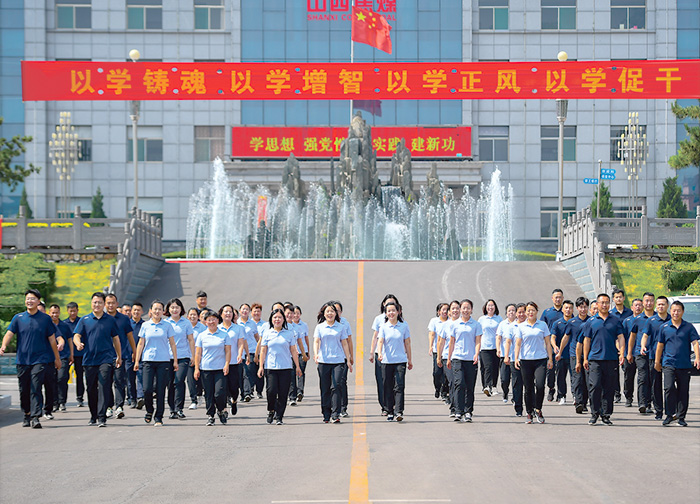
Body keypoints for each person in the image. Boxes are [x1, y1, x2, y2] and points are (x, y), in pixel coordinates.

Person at [1, 289, 61, 429]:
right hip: (22, 360)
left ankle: (35, 417)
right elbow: (9, 333)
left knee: (36, 386)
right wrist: (3, 346)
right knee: (24, 389)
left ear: (38, 301)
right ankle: (27, 413)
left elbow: (52, 340)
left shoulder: (45, 319)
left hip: (40, 359)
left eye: (33, 299)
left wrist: (56, 358)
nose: (30, 301)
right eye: (28, 298)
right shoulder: (18, 318)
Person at [73, 292, 122, 427]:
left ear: (104, 304)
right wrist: (78, 343)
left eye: (100, 302)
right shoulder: (85, 320)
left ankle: (102, 417)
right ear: (91, 303)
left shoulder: (110, 320)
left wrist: (119, 356)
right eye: (95, 302)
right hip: (89, 360)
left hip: (105, 359)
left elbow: (116, 339)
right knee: (91, 389)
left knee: (104, 386)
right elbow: (76, 335)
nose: (97, 305)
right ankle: (93, 415)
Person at [654, 300, 700, 426]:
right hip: (669, 363)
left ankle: (681, 417)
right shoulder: (664, 327)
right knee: (668, 388)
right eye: (674, 310)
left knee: (683, 391)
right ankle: (669, 414)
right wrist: (657, 361)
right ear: (670, 311)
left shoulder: (688, 327)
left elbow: (695, 343)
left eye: (678, 311)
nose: (676, 313)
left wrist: (697, 358)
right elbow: (660, 346)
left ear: (683, 312)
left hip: (684, 364)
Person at [133, 300, 178, 427]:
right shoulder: (145, 325)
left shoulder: (167, 325)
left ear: (163, 311)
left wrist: (175, 360)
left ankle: (159, 417)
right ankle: (149, 410)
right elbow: (141, 343)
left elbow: (172, 343)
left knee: (160, 390)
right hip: (148, 360)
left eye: (160, 309)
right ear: (151, 311)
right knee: (147, 389)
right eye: (155, 309)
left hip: (163, 361)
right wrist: (137, 360)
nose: (157, 311)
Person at [583, 293, 625, 426]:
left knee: (609, 388)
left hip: (611, 359)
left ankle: (606, 415)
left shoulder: (615, 321)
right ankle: (594, 413)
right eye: (602, 303)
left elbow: (621, 337)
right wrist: (585, 358)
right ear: (597, 304)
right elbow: (586, 340)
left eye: (607, 302)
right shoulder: (591, 321)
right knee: (595, 386)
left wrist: (622, 353)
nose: (605, 305)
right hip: (595, 359)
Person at [258, 308, 302, 425]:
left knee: (283, 393)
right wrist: (261, 366)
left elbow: (293, 351)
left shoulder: (289, 333)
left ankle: (279, 416)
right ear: (271, 319)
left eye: (279, 317)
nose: (277, 319)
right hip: (271, 367)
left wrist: (297, 366)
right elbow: (263, 351)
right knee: (271, 391)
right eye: (275, 317)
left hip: (286, 367)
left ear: (283, 320)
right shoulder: (267, 333)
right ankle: (271, 410)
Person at [314, 302, 352, 423]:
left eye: (332, 311)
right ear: (324, 314)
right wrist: (316, 354)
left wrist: (348, 360)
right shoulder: (320, 327)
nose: (330, 313)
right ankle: (326, 413)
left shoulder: (340, 327)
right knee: (325, 388)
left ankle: (336, 414)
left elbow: (345, 343)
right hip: (324, 361)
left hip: (338, 361)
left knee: (336, 386)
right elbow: (316, 341)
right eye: (327, 311)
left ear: (336, 313)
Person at [515, 301, 553, 424]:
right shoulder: (521, 326)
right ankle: (529, 412)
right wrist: (516, 358)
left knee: (540, 385)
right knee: (528, 387)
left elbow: (548, 343)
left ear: (537, 311)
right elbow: (518, 344)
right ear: (525, 312)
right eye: (528, 310)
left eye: (533, 310)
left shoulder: (542, 325)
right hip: (526, 360)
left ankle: (538, 409)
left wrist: (550, 358)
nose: (530, 312)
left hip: (540, 360)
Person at [446, 299, 482, 423]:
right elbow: (452, 342)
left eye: (468, 308)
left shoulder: (476, 325)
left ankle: (468, 411)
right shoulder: (455, 324)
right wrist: (449, 358)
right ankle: (458, 411)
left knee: (469, 386)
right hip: (457, 358)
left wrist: (476, 354)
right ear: (460, 309)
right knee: (459, 383)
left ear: (471, 310)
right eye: (464, 308)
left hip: (471, 359)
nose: (466, 310)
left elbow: (478, 341)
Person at [194, 310, 232, 426]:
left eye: (213, 319)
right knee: (209, 394)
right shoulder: (202, 335)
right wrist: (196, 368)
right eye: (209, 320)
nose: (211, 322)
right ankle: (210, 415)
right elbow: (198, 353)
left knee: (219, 393)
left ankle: (220, 410)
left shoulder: (224, 335)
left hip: (220, 369)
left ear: (218, 320)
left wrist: (227, 364)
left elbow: (228, 351)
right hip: (206, 369)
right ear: (205, 322)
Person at [377, 301, 412, 422]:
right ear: (386, 313)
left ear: (398, 312)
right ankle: (389, 410)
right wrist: (380, 353)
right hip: (387, 361)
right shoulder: (383, 327)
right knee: (387, 386)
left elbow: (407, 343)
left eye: (393, 310)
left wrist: (410, 359)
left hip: (400, 360)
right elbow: (380, 341)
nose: (391, 313)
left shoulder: (404, 326)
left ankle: (399, 411)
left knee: (399, 386)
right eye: (389, 311)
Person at [105, 293, 136, 420]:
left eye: (113, 303)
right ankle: (109, 406)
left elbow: (130, 336)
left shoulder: (124, 319)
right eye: (108, 303)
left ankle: (119, 406)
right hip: (105, 356)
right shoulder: (102, 318)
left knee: (119, 381)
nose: (110, 305)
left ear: (117, 304)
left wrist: (134, 351)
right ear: (105, 304)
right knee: (106, 382)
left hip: (120, 356)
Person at [640, 296, 670, 420]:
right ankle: (659, 411)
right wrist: (643, 346)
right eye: (659, 304)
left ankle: (670, 410)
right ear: (656, 306)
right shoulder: (651, 320)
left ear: (667, 306)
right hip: (654, 356)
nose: (661, 306)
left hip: (669, 357)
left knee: (669, 386)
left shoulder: (672, 320)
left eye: (663, 304)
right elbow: (645, 335)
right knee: (656, 384)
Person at [165, 298, 195, 420]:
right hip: (168, 357)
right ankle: (172, 409)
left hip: (183, 356)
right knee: (170, 384)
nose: (175, 310)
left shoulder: (186, 323)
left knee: (179, 381)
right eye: (172, 307)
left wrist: (193, 355)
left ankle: (179, 408)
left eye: (177, 307)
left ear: (181, 309)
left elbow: (191, 340)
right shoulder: (165, 323)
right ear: (168, 309)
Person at [369, 294, 400, 415]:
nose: (390, 307)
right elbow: (375, 337)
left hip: (395, 356)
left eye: (393, 304)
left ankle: (394, 405)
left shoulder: (399, 319)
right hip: (381, 354)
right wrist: (372, 352)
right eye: (387, 304)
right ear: (383, 305)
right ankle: (385, 407)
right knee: (382, 381)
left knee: (395, 382)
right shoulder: (379, 319)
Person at [627, 292, 656, 414]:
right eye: (646, 301)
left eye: (651, 300)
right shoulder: (638, 319)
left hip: (655, 353)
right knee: (642, 377)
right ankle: (642, 403)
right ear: (643, 303)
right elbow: (632, 337)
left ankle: (651, 402)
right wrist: (629, 353)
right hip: (640, 352)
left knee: (652, 378)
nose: (649, 303)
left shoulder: (659, 318)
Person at [561, 297, 590, 414]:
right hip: (574, 354)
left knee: (587, 380)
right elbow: (566, 337)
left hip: (588, 355)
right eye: (581, 307)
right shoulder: (572, 322)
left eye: (585, 307)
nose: (583, 309)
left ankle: (584, 403)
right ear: (577, 308)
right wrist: (559, 351)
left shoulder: (591, 321)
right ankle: (578, 402)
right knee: (577, 379)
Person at [218, 304, 247, 416]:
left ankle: (234, 401)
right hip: (220, 362)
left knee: (234, 387)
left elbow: (240, 343)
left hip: (234, 362)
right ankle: (224, 409)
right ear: (221, 314)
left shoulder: (238, 328)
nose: (228, 314)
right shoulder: (217, 328)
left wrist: (240, 354)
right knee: (222, 387)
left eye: (230, 312)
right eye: (226, 311)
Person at [437, 300, 461, 417]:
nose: (455, 310)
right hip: (447, 358)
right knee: (452, 382)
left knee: (460, 383)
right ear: (449, 311)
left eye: (457, 308)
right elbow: (441, 342)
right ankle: (454, 408)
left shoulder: (464, 324)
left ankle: (460, 407)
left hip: (461, 357)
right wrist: (439, 357)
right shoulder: (445, 325)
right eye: (453, 308)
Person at [540, 288, 564, 402]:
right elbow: (541, 327)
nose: (558, 299)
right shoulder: (547, 312)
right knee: (550, 370)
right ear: (552, 298)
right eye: (556, 297)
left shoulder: (566, 311)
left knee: (561, 371)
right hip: (550, 346)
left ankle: (561, 393)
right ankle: (551, 388)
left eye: (560, 297)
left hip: (563, 346)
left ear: (562, 298)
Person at [48, 304, 73, 412]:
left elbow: (69, 340)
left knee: (62, 378)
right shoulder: (47, 325)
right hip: (50, 357)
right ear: (49, 313)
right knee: (52, 380)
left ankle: (62, 401)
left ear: (59, 313)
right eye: (53, 313)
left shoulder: (64, 325)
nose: (54, 315)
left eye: (56, 312)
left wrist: (71, 354)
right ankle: (55, 402)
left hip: (63, 356)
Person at [503, 303, 526, 416]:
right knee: (517, 384)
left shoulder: (529, 325)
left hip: (528, 359)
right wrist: (506, 356)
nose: (521, 314)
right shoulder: (512, 326)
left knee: (529, 385)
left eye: (523, 312)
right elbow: (508, 341)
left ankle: (531, 407)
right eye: (519, 312)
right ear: (516, 314)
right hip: (514, 359)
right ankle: (518, 408)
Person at [551, 299, 574, 404]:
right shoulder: (557, 323)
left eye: (570, 308)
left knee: (575, 377)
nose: (568, 310)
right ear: (562, 309)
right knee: (561, 377)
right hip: (561, 355)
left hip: (573, 355)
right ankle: (561, 396)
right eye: (566, 308)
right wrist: (555, 346)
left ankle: (575, 396)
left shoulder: (576, 322)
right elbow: (553, 337)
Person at [478, 299, 502, 397]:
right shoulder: (481, 319)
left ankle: (494, 386)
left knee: (495, 367)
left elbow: (501, 333)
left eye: (492, 305)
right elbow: (478, 334)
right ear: (485, 307)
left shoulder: (499, 319)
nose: (490, 307)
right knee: (487, 367)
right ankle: (487, 386)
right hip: (484, 347)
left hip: (496, 347)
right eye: (489, 305)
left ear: (495, 307)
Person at [621, 298, 643, 407]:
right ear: (632, 308)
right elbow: (622, 337)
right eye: (636, 305)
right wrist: (623, 353)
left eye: (640, 305)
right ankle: (628, 397)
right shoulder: (627, 321)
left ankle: (643, 400)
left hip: (641, 353)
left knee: (642, 378)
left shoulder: (645, 320)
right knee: (628, 377)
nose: (638, 307)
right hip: (629, 353)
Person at [333, 301, 353, 417]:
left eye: (338, 311)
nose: (336, 313)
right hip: (329, 359)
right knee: (332, 384)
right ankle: (333, 407)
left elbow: (349, 341)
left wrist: (351, 356)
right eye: (333, 311)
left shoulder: (345, 323)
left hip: (343, 358)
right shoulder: (324, 323)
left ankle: (343, 407)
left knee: (341, 382)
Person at [285, 305, 308, 406]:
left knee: (299, 372)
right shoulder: (282, 326)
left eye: (292, 313)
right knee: (291, 375)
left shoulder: (297, 327)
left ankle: (299, 392)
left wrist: (304, 353)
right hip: (287, 355)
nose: (291, 315)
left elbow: (300, 342)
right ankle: (292, 397)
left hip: (297, 354)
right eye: (288, 313)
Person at [238, 303, 260, 402]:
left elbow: (257, 337)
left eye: (247, 309)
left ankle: (248, 392)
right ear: (239, 311)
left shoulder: (252, 323)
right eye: (243, 309)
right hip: (239, 351)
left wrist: (259, 350)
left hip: (250, 350)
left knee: (248, 371)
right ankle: (243, 393)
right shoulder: (237, 323)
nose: (245, 311)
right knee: (240, 373)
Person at [63, 302, 84, 407]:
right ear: (67, 311)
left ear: (77, 310)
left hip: (80, 353)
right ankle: (62, 400)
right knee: (64, 376)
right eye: (71, 311)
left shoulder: (81, 322)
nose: (72, 313)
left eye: (74, 311)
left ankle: (80, 398)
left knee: (80, 376)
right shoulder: (64, 323)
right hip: (67, 353)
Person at [495, 303, 516, 404]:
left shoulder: (519, 324)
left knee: (516, 379)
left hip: (515, 356)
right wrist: (498, 349)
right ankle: (505, 392)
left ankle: (515, 397)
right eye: (509, 311)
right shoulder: (502, 324)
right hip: (505, 356)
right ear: (506, 313)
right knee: (504, 379)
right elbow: (498, 337)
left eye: (513, 310)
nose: (511, 312)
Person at [428, 303, 450, 400]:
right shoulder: (434, 321)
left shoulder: (451, 322)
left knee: (446, 373)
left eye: (447, 309)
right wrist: (430, 346)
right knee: (437, 372)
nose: (445, 311)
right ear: (438, 311)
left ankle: (444, 392)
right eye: (443, 309)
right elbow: (432, 334)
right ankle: (437, 387)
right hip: (437, 350)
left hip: (447, 350)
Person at [186, 307, 206, 409]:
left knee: (200, 379)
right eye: (191, 315)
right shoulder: (186, 326)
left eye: (194, 315)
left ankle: (200, 394)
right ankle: (193, 400)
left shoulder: (202, 327)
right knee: (190, 379)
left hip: (200, 357)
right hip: (188, 357)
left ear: (198, 317)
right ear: (187, 316)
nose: (192, 316)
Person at [293, 305, 310, 402]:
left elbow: (306, 338)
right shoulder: (288, 325)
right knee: (292, 372)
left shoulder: (304, 325)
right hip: (292, 353)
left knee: (301, 371)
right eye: (294, 313)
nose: (296, 315)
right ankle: (293, 392)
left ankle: (300, 391)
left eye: (298, 313)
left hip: (303, 352)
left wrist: (308, 352)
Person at [130, 302, 146, 409]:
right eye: (134, 310)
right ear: (131, 311)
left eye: (138, 310)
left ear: (142, 312)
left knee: (140, 376)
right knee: (130, 378)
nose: (136, 312)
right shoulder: (127, 324)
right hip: (128, 355)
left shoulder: (144, 325)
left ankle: (140, 397)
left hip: (141, 355)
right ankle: (132, 399)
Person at [250, 302, 266, 399]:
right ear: (251, 312)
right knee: (250, 372)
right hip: (251, 351)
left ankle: (259, 391)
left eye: (258, 311)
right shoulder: (249, 323)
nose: (256, 313)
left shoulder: (264, 324)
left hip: (261, 352)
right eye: (254, 311)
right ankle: (250, 390)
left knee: (260, 371)